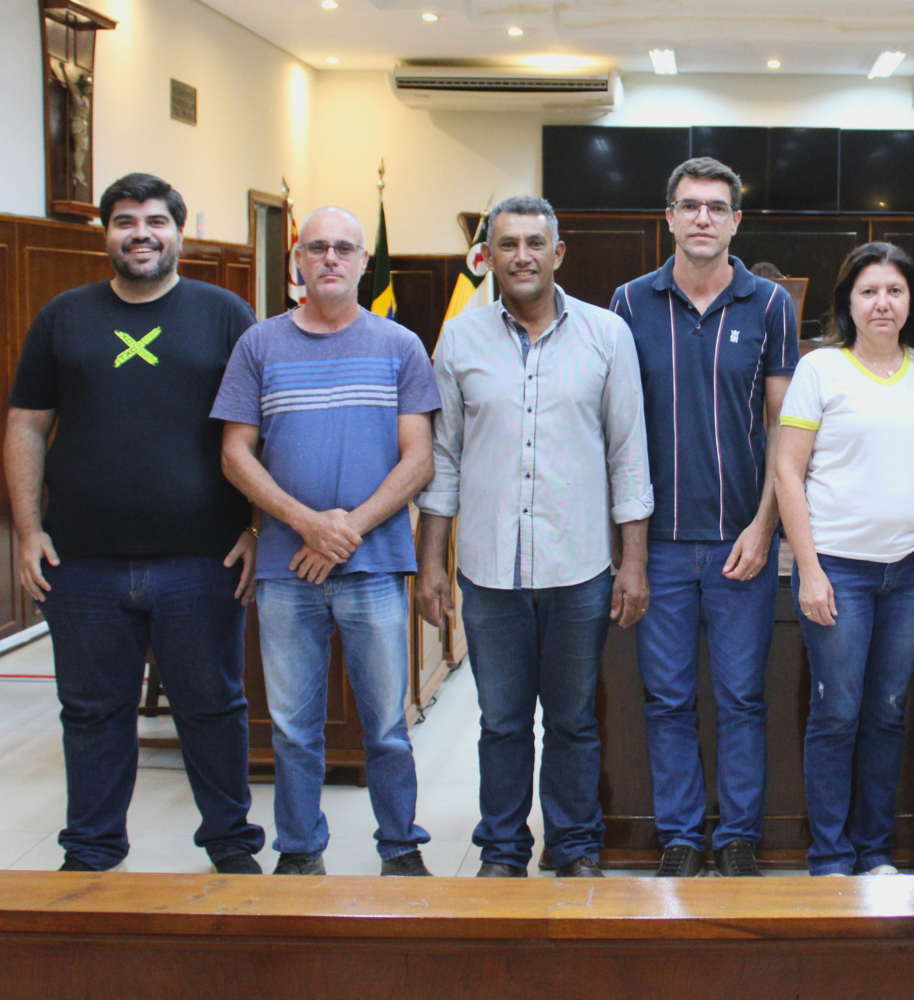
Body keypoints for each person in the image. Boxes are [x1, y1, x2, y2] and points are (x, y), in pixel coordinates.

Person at [3, 172, 264, 874]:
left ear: (179, 231)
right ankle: (90, 852)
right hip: (82, 563)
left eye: (154, 220)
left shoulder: (225, 314)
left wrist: (255, 528)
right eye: (124, 221)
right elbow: (27, 424)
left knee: (212, 710)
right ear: (106, 234)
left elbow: (260, 431)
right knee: (91, 714)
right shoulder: (64, 316)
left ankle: (232, 849)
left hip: (202, 560)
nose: (140, 233)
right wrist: (29, 533)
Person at [416, 196, 652, 879]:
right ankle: (502, 851)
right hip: (489, 574)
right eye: (507, 244)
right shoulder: (460, 340)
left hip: (579, 569)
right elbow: (444, 460)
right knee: (502, 722)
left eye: (534, 243)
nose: (521, 255)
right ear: (487, 256)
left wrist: (631, 561)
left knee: (574, 720)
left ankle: (575, 848)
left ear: (557, 253)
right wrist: (432, 564)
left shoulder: (607, 336)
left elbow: (627, 455)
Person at [214, 205, 441, 877]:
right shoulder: (259, 345)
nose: (332, 258)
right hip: (288, 570)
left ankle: (400, 848)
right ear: (298, 263)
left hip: (373, 568)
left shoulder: (400, 346)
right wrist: (307, 523)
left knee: (388, 728)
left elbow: (419, 459)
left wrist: (345, 529)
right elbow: (234, 454)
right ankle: (300, 852)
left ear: (365, 263)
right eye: (318, 248)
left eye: (345, 248)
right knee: (292, 729)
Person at [610, 158, 798, 878]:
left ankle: (739, 837)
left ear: (736, 221)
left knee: (744, 698)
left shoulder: (770, 305)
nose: (702, 219)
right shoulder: (628, 303)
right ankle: (683, 836)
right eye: (689, 206)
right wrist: (629, 548)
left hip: (738, 543)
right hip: (655, 542)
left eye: (717, 207)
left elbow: (783, 426)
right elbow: (619, 427)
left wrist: (763, 526)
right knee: (666, 701)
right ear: (669, 217)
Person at [774, 243, 914, 877]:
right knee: (837, 712)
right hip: (837, 569)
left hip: (909, 572)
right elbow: (788, 473)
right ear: (848, 300)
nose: (882, 303)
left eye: (894, 291)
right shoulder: (822, 369)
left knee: (888, 711)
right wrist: (809, 570)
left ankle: (874, 851)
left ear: (910, 303)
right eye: (869, 291)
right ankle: (831, 855)